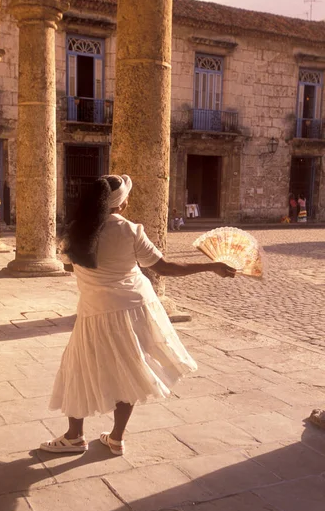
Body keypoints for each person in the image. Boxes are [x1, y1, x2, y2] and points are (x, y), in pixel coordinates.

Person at [40, 175, 235, 456]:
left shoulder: (74, 232)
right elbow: (165, 267)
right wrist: (211, 266)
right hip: (134, 309)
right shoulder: (130, 230)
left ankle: (74, 437)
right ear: (121, 202)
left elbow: (71, 268)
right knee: (129, 369)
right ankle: (116, 437)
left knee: (78, 367)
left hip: (95, 310)